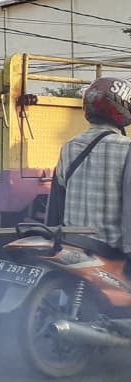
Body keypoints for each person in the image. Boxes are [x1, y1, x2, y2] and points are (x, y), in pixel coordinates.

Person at [46, 75, 131, 268]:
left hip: (71, 245)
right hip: (110, 251)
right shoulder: (126, 148)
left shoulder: (69, 146)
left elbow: (56, 204)